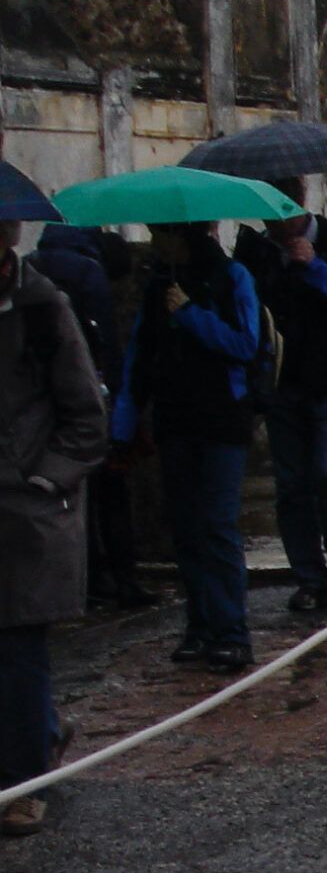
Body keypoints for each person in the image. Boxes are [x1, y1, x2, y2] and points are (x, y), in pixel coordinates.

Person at [0, 220, 109, 837]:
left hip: (24, 507)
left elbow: (85, 416)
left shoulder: (44, 308)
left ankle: (23, 785)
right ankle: (40, 734)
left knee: (18, 647)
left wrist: (46, 479)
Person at [116, 222, 260, 673]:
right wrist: (122, 427)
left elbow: (245, 344)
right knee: (186, 528)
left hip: (222, 422)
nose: (157, 242)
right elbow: (139, 358)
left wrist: (192, 314)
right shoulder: (158, 285)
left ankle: (232, 631)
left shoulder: (232, 276)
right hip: (175, 422)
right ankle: (200, 626)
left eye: (164, 234)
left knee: (217, 526)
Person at [234, 175, 327, 615]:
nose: (276, 227)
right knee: (291, 486)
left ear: (299, 206)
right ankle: (309, 576)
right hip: (282, 385)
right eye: (268, 220)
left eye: (282, 216)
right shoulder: (256, 253)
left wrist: (315, 266)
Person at [31, 225, 148, 609]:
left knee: (71, 500)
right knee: (111, 492)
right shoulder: (88, 272)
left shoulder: (32, 264)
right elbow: (105, 342)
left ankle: (89, 581)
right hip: (88, 399)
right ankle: (124, 580)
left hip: (44, 409)